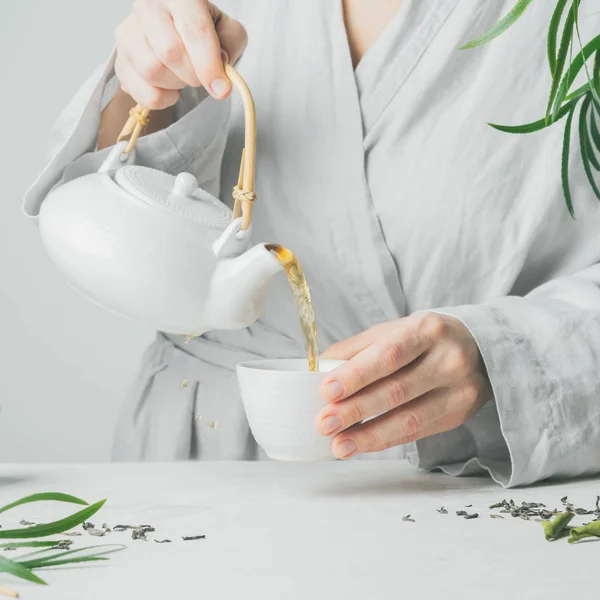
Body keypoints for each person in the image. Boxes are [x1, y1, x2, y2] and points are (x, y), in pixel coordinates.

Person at [24, 0, 600, 487]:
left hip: (474, 472)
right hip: (202, 457)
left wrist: (508, 356)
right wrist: (145, 85)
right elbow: (105, 202)